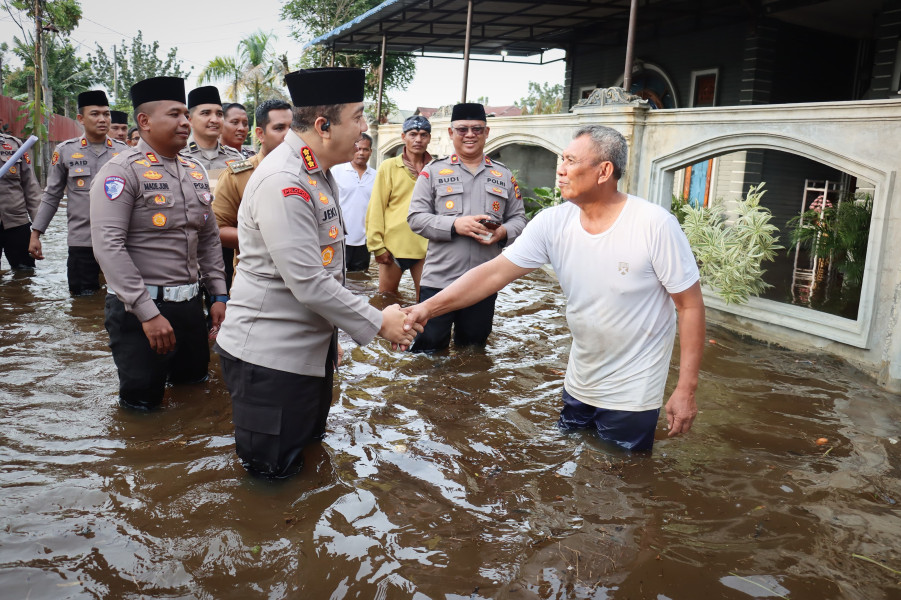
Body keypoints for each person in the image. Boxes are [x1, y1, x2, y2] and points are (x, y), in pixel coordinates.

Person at [403, 125, 706, 451]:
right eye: (561, 159)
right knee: (569, 462)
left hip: (632, 392)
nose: (559, 169)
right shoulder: (553, 223)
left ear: (603, 171)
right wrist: (425, 308)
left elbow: (689, 306)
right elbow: (492, 274)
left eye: (570, 161)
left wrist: (685, 389)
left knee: (621, 481)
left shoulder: (653, 225)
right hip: (580, 381)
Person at [214, 67, 419, 479]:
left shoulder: (317, 173)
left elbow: (326, 270)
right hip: (270, 363)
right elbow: (308, 280)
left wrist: (330, 338)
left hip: (307, 354)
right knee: (271, 479)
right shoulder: (284, 181)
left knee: (305, 462)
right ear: (324, 126)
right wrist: (379, 320)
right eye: (359, 117)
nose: (366, 129)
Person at [90, 76, 228, 411]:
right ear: (145, 121)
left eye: (185, 114)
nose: (185, 122)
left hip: (190, 309)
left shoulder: (193, 171)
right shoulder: (121, 173)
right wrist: (148, 314)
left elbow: (208, 238)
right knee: (142, 407)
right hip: (138, 313)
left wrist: (219, 295)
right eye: (175, 114)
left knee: (194, 391)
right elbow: (109, 247)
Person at [406, 103, 526, 352]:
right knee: (427, 353)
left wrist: (503, 232)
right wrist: (455, 224)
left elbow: (519, 220)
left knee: (473, 352)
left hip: (483, 282)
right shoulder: (433, 172)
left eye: (477, 129)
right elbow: (416, 218)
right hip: (440, 281)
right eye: (462, 129)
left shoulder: (503, 176)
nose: (470, 135)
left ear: (487, 132)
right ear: (451, 133)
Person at [29, 90, 128, 295]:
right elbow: (52, 195)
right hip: (82, 242)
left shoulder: (125, 153)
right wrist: (36, 233)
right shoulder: (65, 151)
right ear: (81, 118)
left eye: (106, 114)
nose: (102, 119)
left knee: (123, 300)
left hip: (120, 243)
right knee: (82, 303)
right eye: (95, 114)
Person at [213, 99, 293, 290]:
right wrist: (264, 238)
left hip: (305, 283)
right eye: (279, 128)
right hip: (256, 283)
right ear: (260, 134)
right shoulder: (238, 176)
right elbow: (217, 229)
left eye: (293, 128)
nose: (289, 135)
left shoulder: (310, 173)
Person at [365, 115, 432, 297]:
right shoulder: (389, 167)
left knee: (426, 299)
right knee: (386, 299)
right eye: (413, 134)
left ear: (429, 138)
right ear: (403, 137)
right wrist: (377, 246)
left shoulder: (435, 169)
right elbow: (376, 207)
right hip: (392, 248)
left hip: (425, 247)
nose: (418, 139)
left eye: (423, 134)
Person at [333, 133, 375, 271]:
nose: (361, 153)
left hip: (364, 240)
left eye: (365, 149)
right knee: (338, 277)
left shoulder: (377, 176)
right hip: (339, 238)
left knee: (360, 279)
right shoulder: (336, 171)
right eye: (358, 148)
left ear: (371, 152)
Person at [0, 132, 41, 271]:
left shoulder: (14, 144)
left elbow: (31, 187)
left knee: (25, 274)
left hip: (16, 222)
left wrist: (38, 227)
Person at [181, 86, 242, 173]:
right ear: (190, 120)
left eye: (219, 114)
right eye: (206, 113)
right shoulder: (179, 157)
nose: (214, 120)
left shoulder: (236, 158)